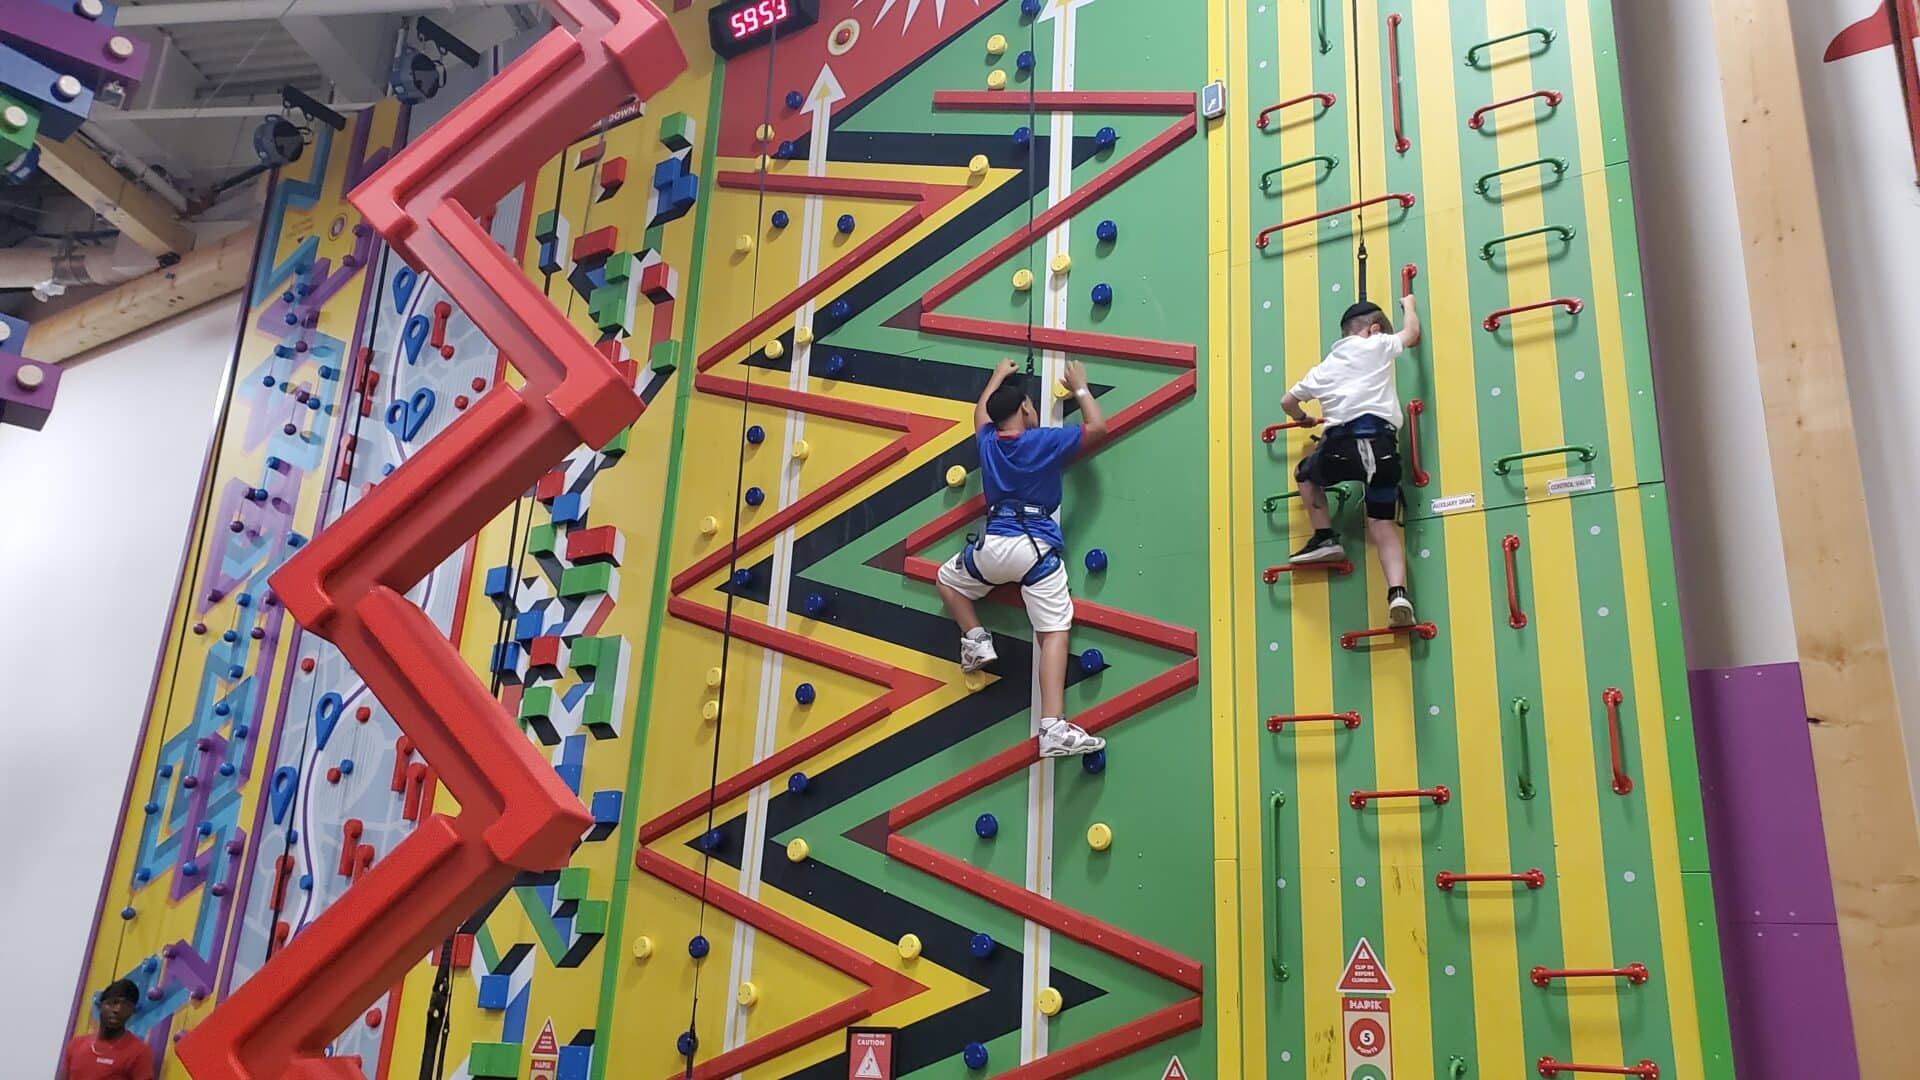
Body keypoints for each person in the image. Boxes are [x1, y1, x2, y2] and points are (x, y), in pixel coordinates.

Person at [936, 358, 1109, 757]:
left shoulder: (989, 443)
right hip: (1034, 548)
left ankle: (976, 639)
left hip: (993, 547)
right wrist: (1081, 388)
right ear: (1027, 408)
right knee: (1053, 632)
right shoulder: (1044, 441)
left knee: (947, 581)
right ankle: (1052, 727)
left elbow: (980, 414)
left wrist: (997, 375)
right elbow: (1098, 428)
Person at [1278, 293, 1422, 627]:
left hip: (1340, 447)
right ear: (1374, 330)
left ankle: (1325, 537)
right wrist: (1409, 305)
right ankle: (1398, 594)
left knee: (1305, 473)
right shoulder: (1376, 345)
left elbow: (1287, 401)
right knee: (1382, 524)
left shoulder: (1325, 367)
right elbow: (1412, 333)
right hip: (1381, 446)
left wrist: (1302, 418)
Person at [58, 979, 152, 1080]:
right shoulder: (76, 1045)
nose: (117, 1010)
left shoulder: (139, 1052)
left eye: (126, 1006)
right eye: (113, 1003)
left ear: (132, 1011)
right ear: (100, 1005)